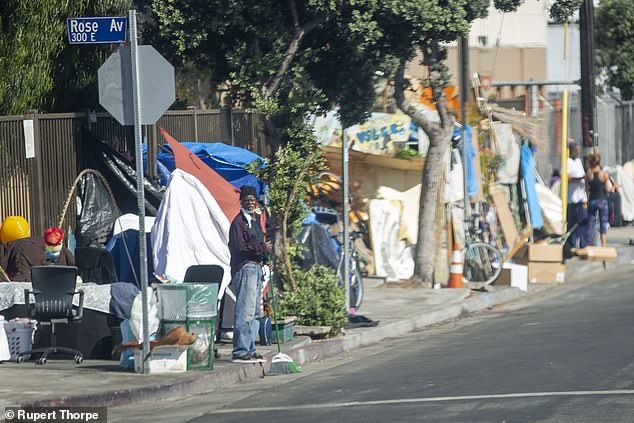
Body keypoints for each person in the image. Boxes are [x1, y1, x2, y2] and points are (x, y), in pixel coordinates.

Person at [229, 186, 271, 363]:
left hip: (256, 269)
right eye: (247, 200)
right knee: (245, 312)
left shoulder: (253, 222)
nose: (250, 203)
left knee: (254, 312)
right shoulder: (238, 223)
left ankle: (250, 348)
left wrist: (266, 256)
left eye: (253, 200)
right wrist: (262, 248)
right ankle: (240, 351)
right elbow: (240, 247)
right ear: (241, 202)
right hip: (245, 269)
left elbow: (259, 246)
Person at [1, 227, 74, 282]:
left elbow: (21, 282)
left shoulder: (15, 250)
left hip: (34, 295)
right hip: (62, 292)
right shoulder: (44, 241)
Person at [586, 153, 613, 246]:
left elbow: (587, 189)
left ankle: (590, 244)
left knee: (591, 223)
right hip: (602, 201)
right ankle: (603, 245)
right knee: (603, 223)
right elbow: (608, 188)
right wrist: (612, 187)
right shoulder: (603, 174)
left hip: (592, 200)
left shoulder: (589, 174)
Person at [566, 140, 589, 250]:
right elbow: (568, 179)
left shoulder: (579, 161)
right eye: (575, 150)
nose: (577, 152)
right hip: (572, 199)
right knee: (572, 224)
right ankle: (571, 245)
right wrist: (580, 179)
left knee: (583, 221)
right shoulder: (567, 162)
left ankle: (583, 245)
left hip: (581, 198)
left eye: (578, 151)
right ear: (571, 151)